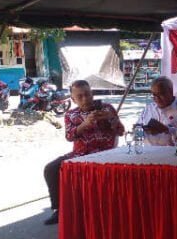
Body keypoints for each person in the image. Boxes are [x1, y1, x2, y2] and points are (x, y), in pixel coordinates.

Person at [43, 80, 125, 225]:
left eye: (87, 94)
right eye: (80, 96)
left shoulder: (107, 108)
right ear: (73, 99)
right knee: (51, 168)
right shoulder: (70, 114)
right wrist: (85, 124)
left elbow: (121, 131)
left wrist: (111, 118)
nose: (85, 99)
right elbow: (69, 136)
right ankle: (59, 209)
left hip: (106, 153)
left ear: (92, 94)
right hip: (80, 155)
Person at [138, 76, 177, 146]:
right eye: (154, 94)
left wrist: (168, 130)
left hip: (173, 151)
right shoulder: (148, 109)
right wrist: (138, 130)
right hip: (147, 150)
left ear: (170, 92)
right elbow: (138, 134)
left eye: (160, 94)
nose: (157, 98)